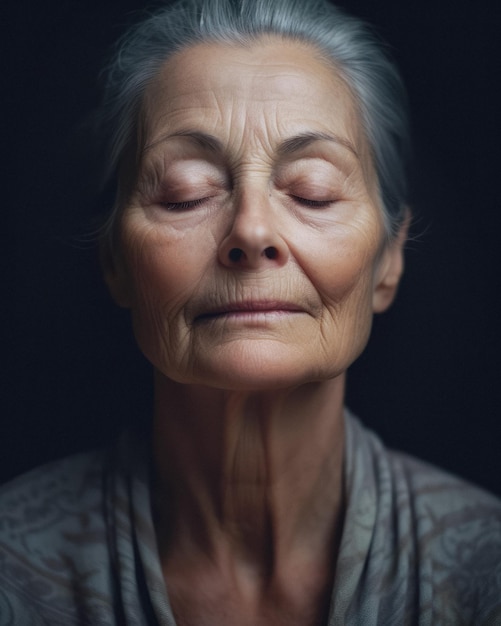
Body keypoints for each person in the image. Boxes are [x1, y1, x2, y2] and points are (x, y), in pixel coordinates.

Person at [1, 0, 500, 624]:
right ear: (115, 262)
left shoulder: (486, 570)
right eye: (186, 193)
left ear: (388, 260)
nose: (252, 229)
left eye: (312, 191)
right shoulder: (13, 573)